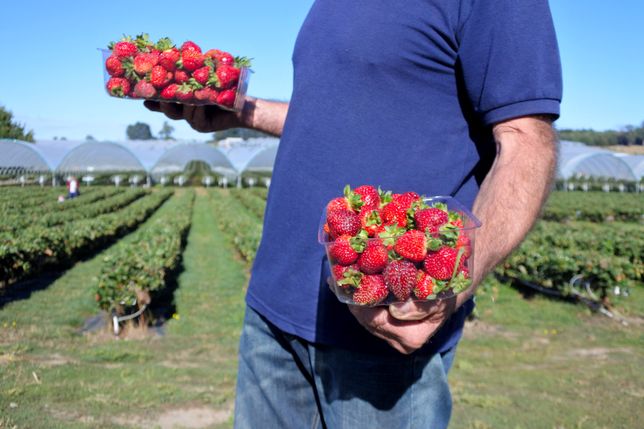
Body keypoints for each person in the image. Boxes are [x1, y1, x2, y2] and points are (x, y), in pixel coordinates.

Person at [146, 0, 562, 427]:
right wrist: (243, 111)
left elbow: (526, 140)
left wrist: (452, 283)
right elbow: (331, 117)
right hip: (272, 310)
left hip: (383, 318)